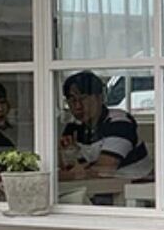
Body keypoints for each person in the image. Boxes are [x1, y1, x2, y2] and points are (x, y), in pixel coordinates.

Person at [58, 70, 153, 204]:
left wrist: (73, 173)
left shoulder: (120, 122)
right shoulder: (73, 127)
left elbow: (105, 169)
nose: (78, 106)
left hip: (134, 196)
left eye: (83, 98)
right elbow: (65, 166)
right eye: (72, 101)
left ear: (100, 97)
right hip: (96, 192)